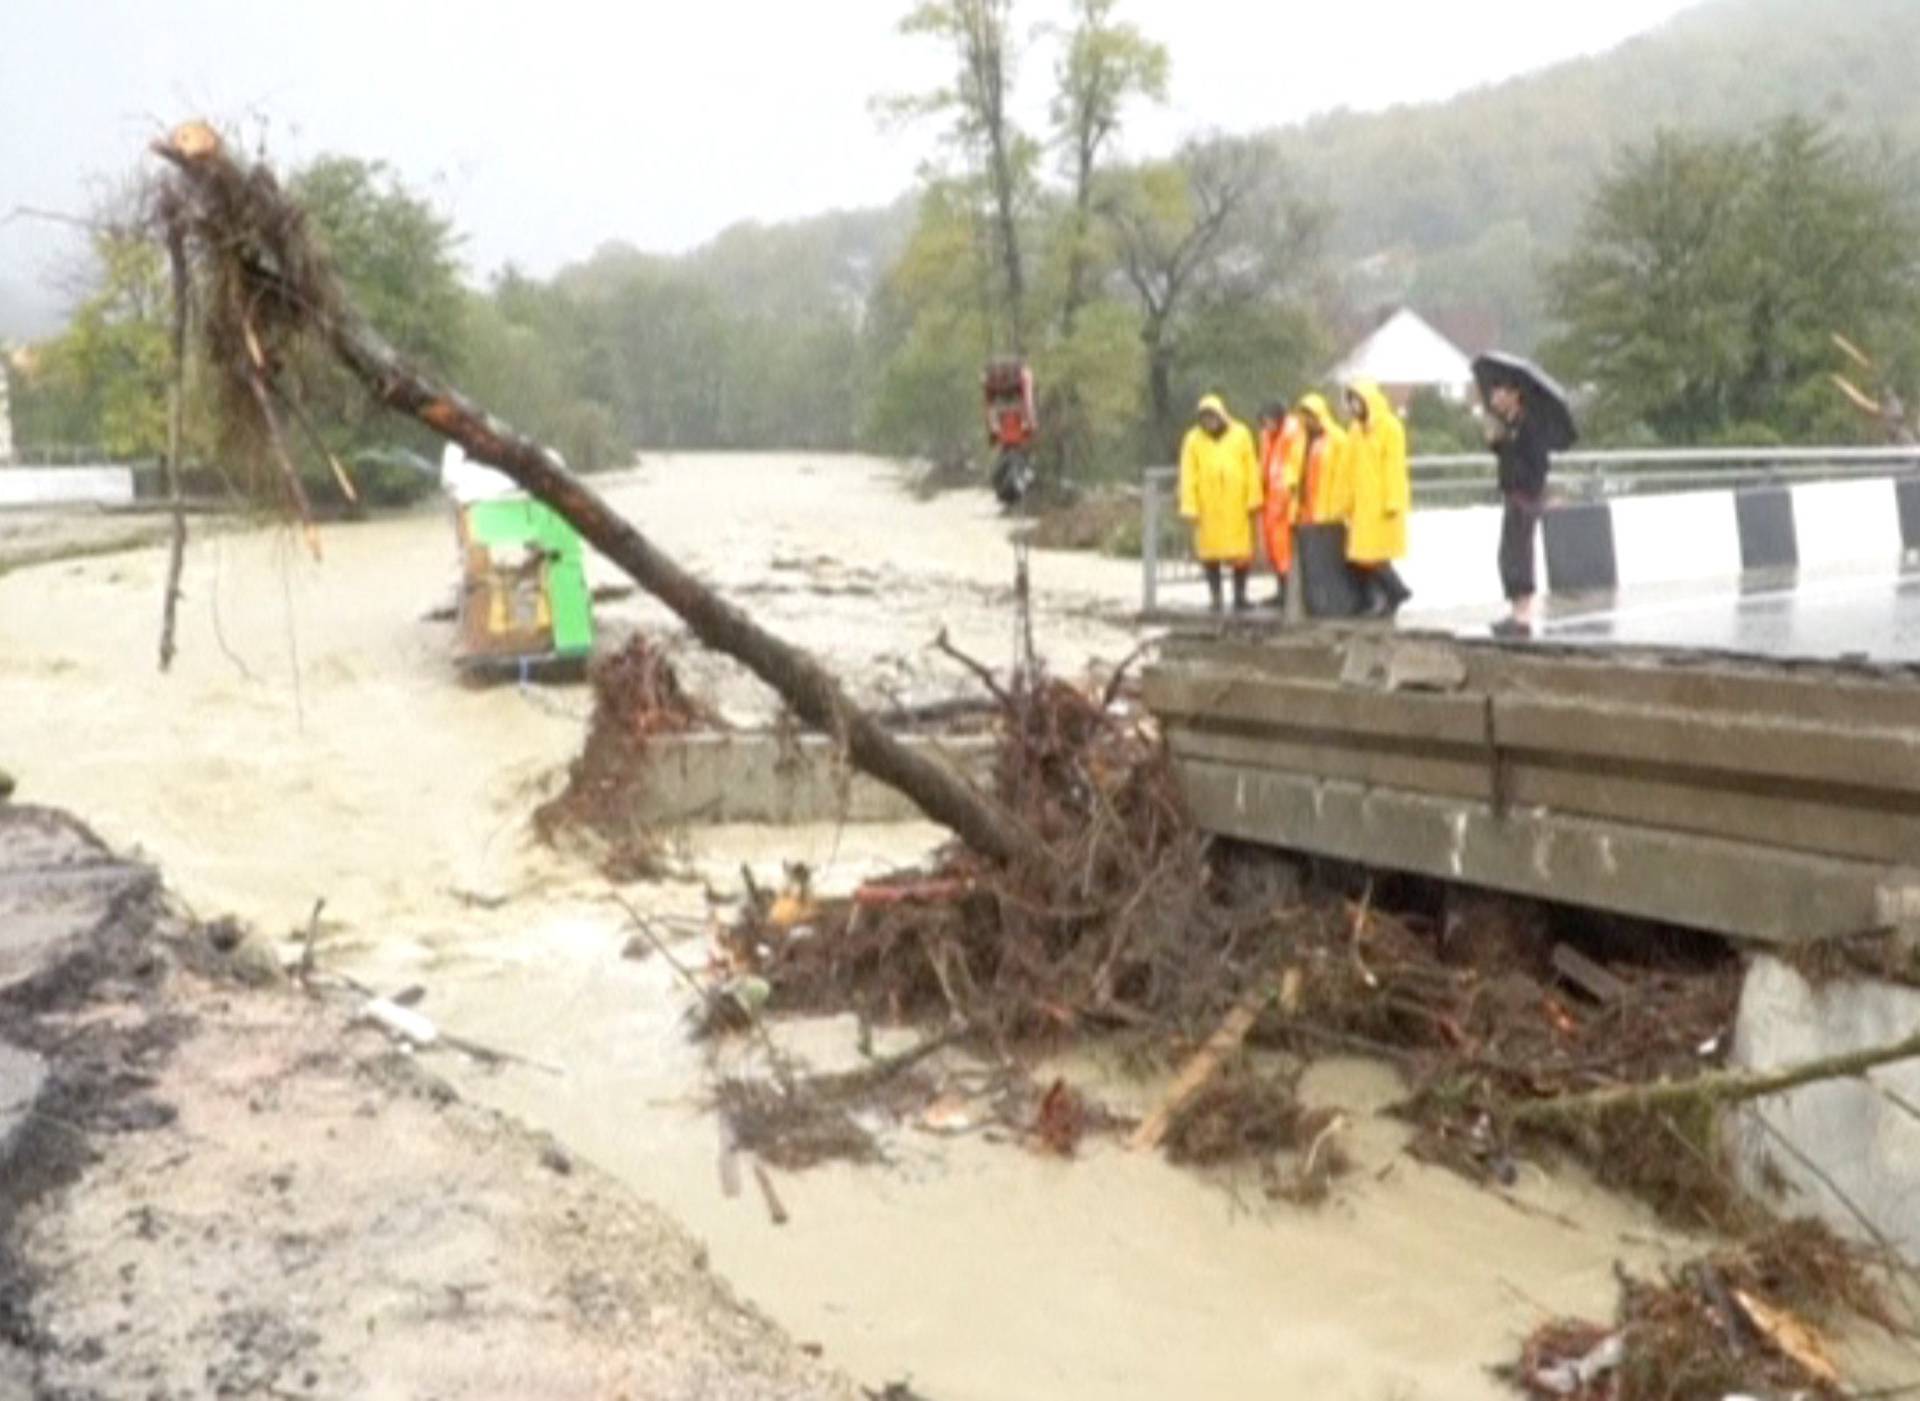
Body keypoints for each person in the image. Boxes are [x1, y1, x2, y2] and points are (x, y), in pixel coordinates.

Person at [1178, 393, 1263, 614]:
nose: (1209, 422)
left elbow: (1251, 468)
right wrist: (1190, 506)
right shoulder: (1193, 439)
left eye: (1212, 417)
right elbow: (1188, 474)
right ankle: (1216, 597)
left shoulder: (1241, 433)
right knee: (1209, 554)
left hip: (1235, 503)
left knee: (1241, 554)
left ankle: (1240, 596)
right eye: (1204, 418)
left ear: (1221, 415)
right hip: (1208, 504)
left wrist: (1253, 498)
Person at [1342, 380, 1413, 617]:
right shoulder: (1354, 430)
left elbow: (1394, 466)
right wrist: (1347, 501)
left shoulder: (1390, 427)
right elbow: (1348, 467)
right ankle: (1389, 595)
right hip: (1362, 503)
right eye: (1350, 401)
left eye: (1356, 401)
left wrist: (1393, 500)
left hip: (1382, 503)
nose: (1353, 406)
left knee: (1375, 554)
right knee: (1364, 555)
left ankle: (1394, 593)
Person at [1486, 380, 1550, 637]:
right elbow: (1509, 455)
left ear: (1514, 394)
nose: (1495, 396)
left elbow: (1538, 462)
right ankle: (1515, 611)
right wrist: (1497, 443)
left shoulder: (1529, 425)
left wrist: (1527, 485)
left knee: (1520, 553)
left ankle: (1522, 615)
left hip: (1524, 497)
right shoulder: (1510, 424)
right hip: (1512, 494)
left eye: (1500, 391)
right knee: (1508, 555)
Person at [1256, 402, 1304, 607]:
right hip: (1271, 501)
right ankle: (1281, 592)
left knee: (1286, 551)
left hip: (1285, 502)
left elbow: (1293, 466)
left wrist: (1287, 497)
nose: (1267, 425)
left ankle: (1289, 595)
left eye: (1269, 420)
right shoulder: (1267, 437)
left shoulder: (1293, 434)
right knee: (1275, 550)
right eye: (1264, 421)